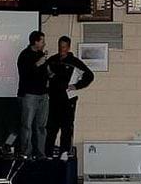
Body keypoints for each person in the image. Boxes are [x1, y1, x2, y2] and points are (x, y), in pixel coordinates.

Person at [44, 36, 94, 159]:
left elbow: (89, 75)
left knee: (66, 126)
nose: (62, 49)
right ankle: (48, 152)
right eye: (60, 46)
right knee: (51, 126)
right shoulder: (52, 60)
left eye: (64, 47)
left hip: (68, 99)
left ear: (69, 47)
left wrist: (76, 86)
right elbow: (45, 74)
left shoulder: (74, 62)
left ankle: (64, 151)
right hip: (54, 98)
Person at [15, 30, 50, 159]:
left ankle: (41, 153)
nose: (44, 43)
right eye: (42, 41)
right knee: (27, 125)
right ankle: (26, 153)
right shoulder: (24, 55)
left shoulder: (41, 54)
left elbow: (44, 73)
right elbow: (24, 74)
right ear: (35, 42)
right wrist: (37, 64)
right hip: (29, 95)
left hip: (43, 95)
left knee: (41, 126)